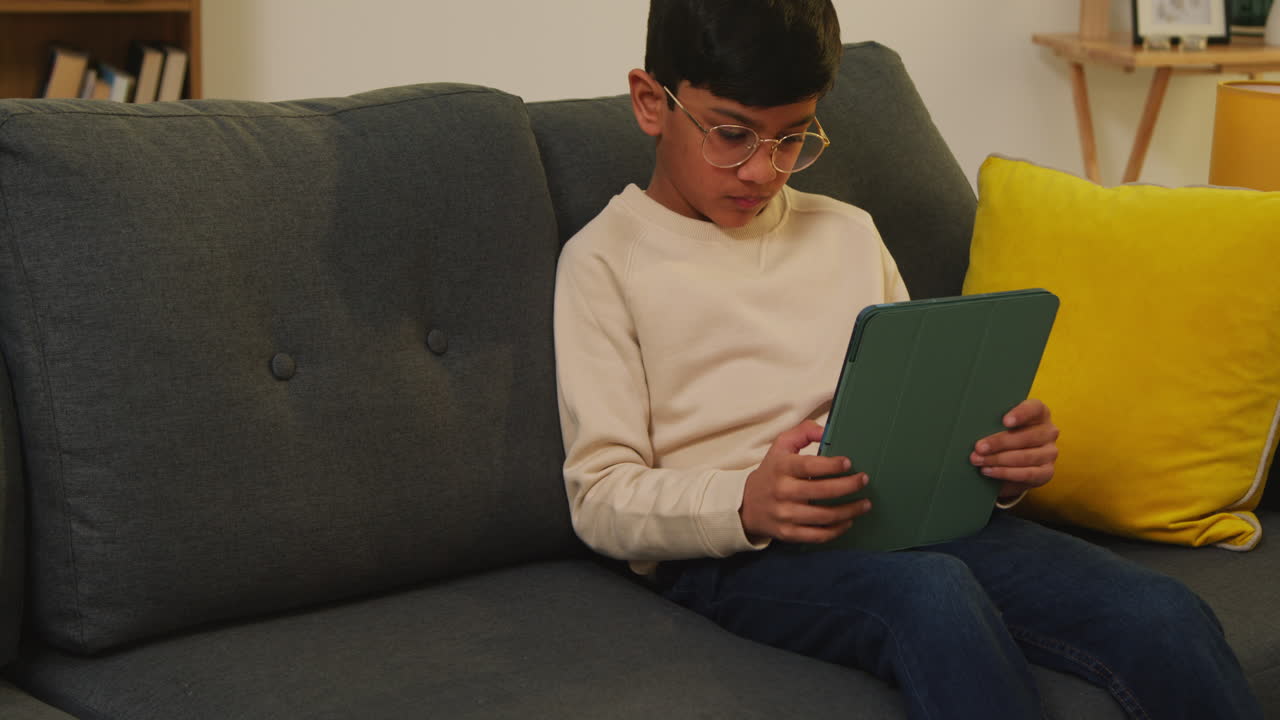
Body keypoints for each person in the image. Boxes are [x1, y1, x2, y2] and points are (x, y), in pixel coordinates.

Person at [552, 1, 1262, 717]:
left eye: (792, 138)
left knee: (1162, 610)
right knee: (930, 595)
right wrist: (745, 501)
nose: (763, 170)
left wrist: (995, 459)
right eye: (732, 134)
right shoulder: (605, 264)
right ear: (651, 103)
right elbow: (601, 495)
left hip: (905, 515)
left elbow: (918, 405)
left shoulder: (848, 233)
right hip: (739, 554)